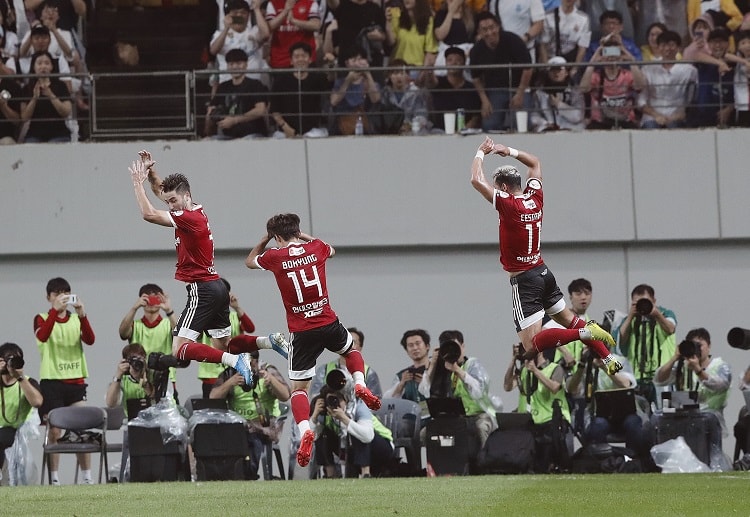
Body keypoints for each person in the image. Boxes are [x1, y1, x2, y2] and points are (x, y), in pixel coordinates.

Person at [128, 150, 288, 391]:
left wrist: (137, 183)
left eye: (173, 201)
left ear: (186, 196)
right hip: (217, 287)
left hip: (202, 289)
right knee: (222, 344)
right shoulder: (193, 209)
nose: (169, 204)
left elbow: (148, 214)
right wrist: (151, 173)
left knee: (179, 348)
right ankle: (268, 341)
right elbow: (161, 191)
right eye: (169, 202)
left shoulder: (190, 218)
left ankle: (237, 361)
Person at [469, 136, 622, 375]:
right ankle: (608, 357)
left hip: (525, 281)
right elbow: (535, 163)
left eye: (498, 187)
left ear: (505, 188)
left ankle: (587, 332)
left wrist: (481, 152)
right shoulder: (534, 198)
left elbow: (476, 180)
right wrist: (506, 150)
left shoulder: (509, 206)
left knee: (531, 345)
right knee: (569, 320)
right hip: (543, 272)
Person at [244, 212, 382, 468]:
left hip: (302, 332)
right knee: (350, 351)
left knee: (299, 390)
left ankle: (306, 428)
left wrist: (265, 241)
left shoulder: (275, 256)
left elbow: (250, 261)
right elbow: (332, 249)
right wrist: (302, 236)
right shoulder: (316, 248)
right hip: (328, 322)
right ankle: (360, 383)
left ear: (276, 237)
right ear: (297, 232)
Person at [34, 276, 95, 485]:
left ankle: (87, 477)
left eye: (65, 293)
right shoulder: (42, 317)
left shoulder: (77, 319)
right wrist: (54, 312)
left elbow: (90, 339)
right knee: (54, 430)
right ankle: (54, 479)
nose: (61, 297)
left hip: (76, 381)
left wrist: (83, 315)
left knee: (81, 430)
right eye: (57, 294)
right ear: (48, 297)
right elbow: (42, 336)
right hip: (52, 382)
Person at [653, 327, 731, 465]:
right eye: (693, 346)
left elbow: (720, 385)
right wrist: (675, 358)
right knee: (655, 418)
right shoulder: (683, 366)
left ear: (709, 346)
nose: (697, 350)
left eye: (700, 346)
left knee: (710, 419)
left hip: (709, 413)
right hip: (682, 412)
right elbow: (659, 379)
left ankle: (715, 463)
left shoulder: (720, 366)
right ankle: (657, 463)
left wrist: (698, 370)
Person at [418, 330, 501, 459]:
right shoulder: (439, 368)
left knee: (481, 427)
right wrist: (433, 364)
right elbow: (423, 390)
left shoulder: (472, 365)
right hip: (453, 416)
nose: (452, 352)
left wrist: (457, 370)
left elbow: (479, 391)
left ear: (462, 347)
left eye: (455, 347)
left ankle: (484, 463)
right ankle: (438, 465)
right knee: (425, 433)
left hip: (478, 414)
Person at [209, 351, 291, 480]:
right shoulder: (230, 373)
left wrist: (272, 381)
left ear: (256, 362)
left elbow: (286, 395)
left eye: (250, 364)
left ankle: (248, 474)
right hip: (237, 427)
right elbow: (213, 397)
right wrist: (230, 382)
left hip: (264, 426)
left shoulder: (267, 370)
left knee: (253, 438)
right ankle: (226, 475)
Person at [567, 347, 651, 458]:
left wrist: (604, 366)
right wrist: (582, 364)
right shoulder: (587, 366)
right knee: (598, 426)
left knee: (633, 424)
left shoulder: (620, 360)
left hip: (628, 414)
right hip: (601, 416)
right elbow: (572, 390)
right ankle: (604, 462)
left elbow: (626, 384)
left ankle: (633, 461)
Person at [310, 371, 394, 478]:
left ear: (346, 400)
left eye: (337, 400)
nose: (334, 403)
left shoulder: (359, 407)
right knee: (323, 435)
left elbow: (367, 436)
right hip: (352, 451)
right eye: (330, 400)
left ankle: (365, 473)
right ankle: (330, 474)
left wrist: (345, 419)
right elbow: (311, 438)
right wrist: (315, 416)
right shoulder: (326, 414)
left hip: (381, 448)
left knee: (356, 431)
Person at [504, 348, 573, 472]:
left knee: (545, 454)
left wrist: (535, 370)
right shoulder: (525, 370)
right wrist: (513, 359)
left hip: (553, 420)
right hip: (532, 422)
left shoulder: (555, 368)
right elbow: (507, 386)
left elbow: (554, 387)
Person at [469, 12, 533, 132]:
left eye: (492, 27)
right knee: (489, 124)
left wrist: (520, 93)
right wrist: (484, 100)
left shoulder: (513, 40)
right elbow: (475, 77)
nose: (489, 33)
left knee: (521, 123)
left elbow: (528, 68)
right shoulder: (476, 50)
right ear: (479, 32)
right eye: (484, 29)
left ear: (498, 26)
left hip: (519, 88)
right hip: (495, 91)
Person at [617, 283, 676, 405]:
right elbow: (620, 340)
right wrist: (631, 316)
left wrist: (656, 314)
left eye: (646, 302)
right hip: (637, 379)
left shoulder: (666, 314)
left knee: (662, 418)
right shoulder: (629, 320)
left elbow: (670, 329)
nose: (642, 306)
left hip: (661, 379)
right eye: (637, 303)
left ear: (654, 301)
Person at [117, 283, 179, 397]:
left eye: (155, 298)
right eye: (148, 299)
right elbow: (123, 333)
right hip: (138, 376)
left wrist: (169, 310)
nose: (151, 303)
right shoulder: (135, 325)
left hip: (165, 377)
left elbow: (181, 336)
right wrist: (134, 308)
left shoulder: (167, 323)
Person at [579, 35, 645, 129]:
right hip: (600, 122)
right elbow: (583, 88)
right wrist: (592, 63)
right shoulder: (596, 76)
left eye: (615, 52)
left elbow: (640, 86)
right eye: (607, 52)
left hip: (625, 121)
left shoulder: (627, 75)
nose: (611, 57)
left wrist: (631, 60)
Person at [0, 342, 44, 483]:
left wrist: (20, 378)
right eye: (7, 360)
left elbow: (37, 402)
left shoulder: (28, 382)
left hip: (14, 431)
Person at [270, 41, 332, 138]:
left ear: (310, 59)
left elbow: (331, 83)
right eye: (296, 56)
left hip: (313, 131)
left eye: (304, 56)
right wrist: (286, 128)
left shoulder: (318, 77)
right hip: (285, 130)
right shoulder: (281, 80)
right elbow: (274, 109)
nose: (300, 59)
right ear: (291, 61)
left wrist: (331, 64)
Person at [205, 47, 269, 139]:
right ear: (227, 66)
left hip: (253, 134)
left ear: (246, 65)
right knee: (210, 141)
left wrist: (235, 120)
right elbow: (211, 110)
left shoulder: (255, 84)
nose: (235, 67)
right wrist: (210, 124)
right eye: (231, 64)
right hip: (228, 136)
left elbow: (260, 110)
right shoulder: (223, 87)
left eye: (239, 63)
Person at [639, 30, 698, 129]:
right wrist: (656, 115)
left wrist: (679, 115)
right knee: (651, 128)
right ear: (658, 47)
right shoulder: (647, 68)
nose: (667, 48)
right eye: (663, 45)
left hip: (677, 115)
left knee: (675, 127)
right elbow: (641, 100)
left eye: (671, 45)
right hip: (652, 116)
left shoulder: (689, 70)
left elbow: (692, 98)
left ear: (678, 48)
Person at [208, 0, 269, 91]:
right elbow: (213, 50)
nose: (239, 15)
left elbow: (265, 35)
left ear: (248, 15)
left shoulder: (254, 32)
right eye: (235, 13)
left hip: (253, 85)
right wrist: (226, 29)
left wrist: (256, 10)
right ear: (228, 15)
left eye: (243, 13)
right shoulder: (219, 34)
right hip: (228, 85)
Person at [309, 326, 382, 400]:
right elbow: (314, 396)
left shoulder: (369, 373)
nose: (349, 345)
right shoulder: (323, 370)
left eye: (353, 342)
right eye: (346, 341)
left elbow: (375, 402)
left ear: (360, 347)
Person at [424, 46, 482, 131]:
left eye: (458, 60)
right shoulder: (439, 82)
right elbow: (430, 82)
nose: (453, 63)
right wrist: (429, 69)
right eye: (450, 60)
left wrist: (464, 130)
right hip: (439, 132)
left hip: (465, 134)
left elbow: (476, 116)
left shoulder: (471, 88)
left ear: (464, 63)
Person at [328, 45, 382, 135]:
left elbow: (375, 99)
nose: (357, 63)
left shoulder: (370, 82)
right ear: (347, 63)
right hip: (343, 124)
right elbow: (333, 101)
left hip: (366, 124)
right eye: (354, 60)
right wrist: (348, 81)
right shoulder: (340, 82)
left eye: (360, 59)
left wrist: (368, 74)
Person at [19, 50, 71, 142]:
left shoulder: (61, 85)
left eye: (47, 63)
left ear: (51, 67)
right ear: (33, 67)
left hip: (59, 133)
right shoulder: (27, 88)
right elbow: (24, 117)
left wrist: (50, 94)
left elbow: (66, 112)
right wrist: (34, 98)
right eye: (39, 63)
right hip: (34, 134)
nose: (43, 66)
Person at [688, 27, 735, 128]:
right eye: (714, 42)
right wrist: (720, 63)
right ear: (708, 44)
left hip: (726, 116)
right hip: (703, 116)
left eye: (721, 42)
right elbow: (696, 55)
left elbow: (740, 92)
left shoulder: (734, 64)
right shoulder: (704, 63)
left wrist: (730, 108)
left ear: (727, 44)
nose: (717, 45)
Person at [385, 0, 438, 85]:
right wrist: (388, 22)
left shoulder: (429, 20)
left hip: (417, 69)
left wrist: (422, 75)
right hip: (397, 68)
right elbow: (391, 42)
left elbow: (430, 51)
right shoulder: (396, 12)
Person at [383, 329, 431, 420]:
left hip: (434, 419)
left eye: (418, 343)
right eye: (410, 345)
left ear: (427, 346)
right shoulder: (402, 375)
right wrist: (401, 384)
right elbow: (387, 401)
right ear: (407, 350)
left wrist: (426, 384)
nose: (415, 348)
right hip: (410, 421)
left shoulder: (436, 371)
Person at [529, 55, 585, 132]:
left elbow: (578, 117)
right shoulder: (539, 93)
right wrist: (545, 123)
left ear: (566, 72)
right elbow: (534, 116)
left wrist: (559, 104)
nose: (556, 73)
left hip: (571, 130)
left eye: (559, 70)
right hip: (548, 131)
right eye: (552, 70)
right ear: (548, 73)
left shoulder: (575, 91)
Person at [538, 0, 591, 74]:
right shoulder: (548, 16)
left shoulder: (583, 19)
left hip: (569, 62)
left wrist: (574, 69)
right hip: (550, 60)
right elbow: (543, 45)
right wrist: (546, 67)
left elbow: (582, 47)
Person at [265, 0, 321, 69]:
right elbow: (269, 27)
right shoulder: (273, 3)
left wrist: (294, 21)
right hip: (280, 60)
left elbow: (316, 25)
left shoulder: (310, 2)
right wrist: (285, 11)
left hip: (305, 59)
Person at [104, 343, 154, 411]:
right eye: (133, 361)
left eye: (139, 360)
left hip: (154, 419)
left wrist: (145, 385)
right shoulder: (124, 379)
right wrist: (118, 376)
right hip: (131, 420)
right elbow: (111, 404)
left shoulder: (153, 374)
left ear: (145, 358)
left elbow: (159, 403)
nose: (137, 364)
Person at [734, 30, 750, 126]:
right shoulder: (738, 58)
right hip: (741, 104)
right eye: (743, 43)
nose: (747, 45)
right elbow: (725, 55)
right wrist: (744, 61)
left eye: (749, 42)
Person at [0, 73, 22, 144]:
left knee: (8, 142)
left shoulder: (12, 86)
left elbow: (17, 121)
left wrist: (3, 106)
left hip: (4, 137)